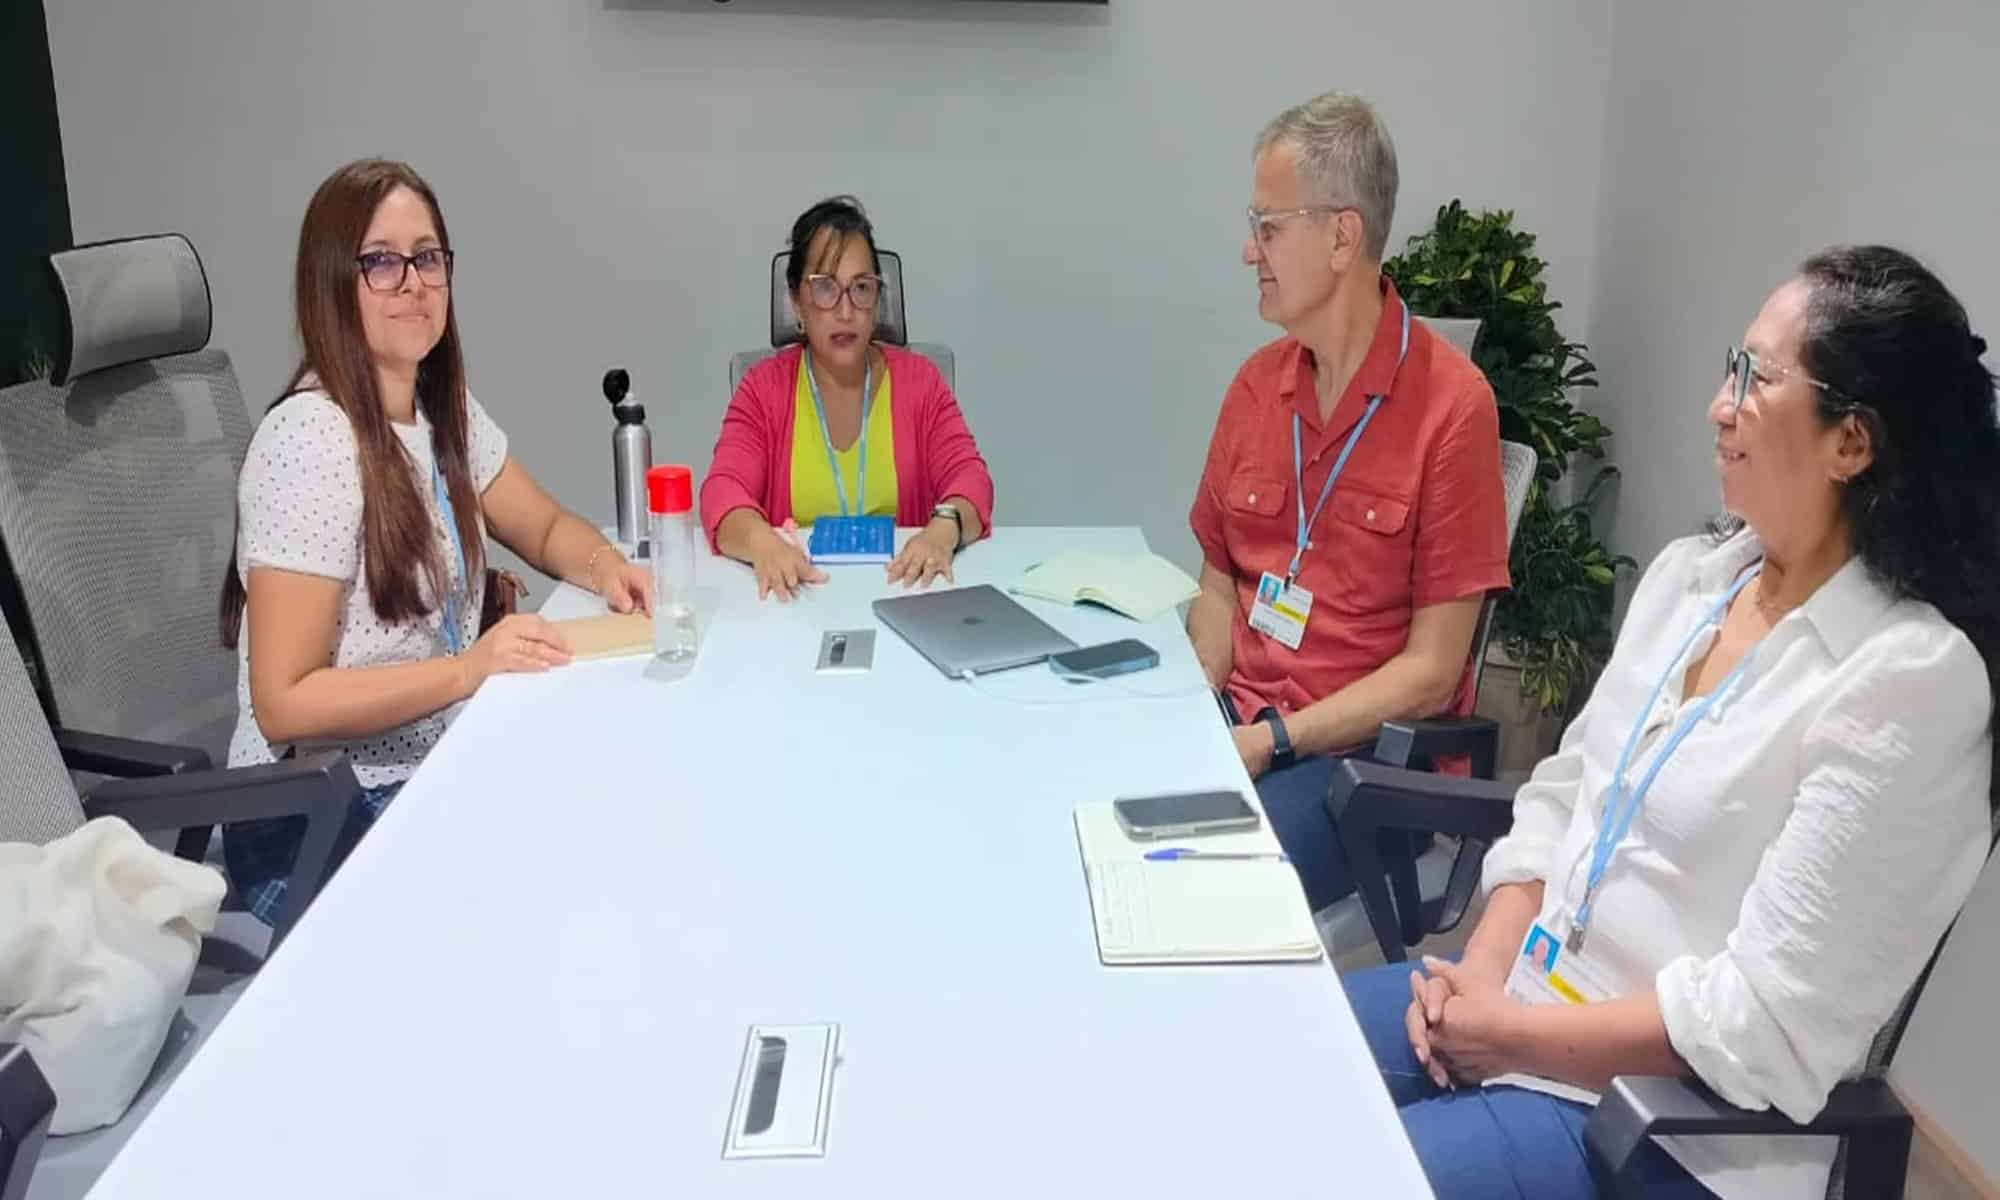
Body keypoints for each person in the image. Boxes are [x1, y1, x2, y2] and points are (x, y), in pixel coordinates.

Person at [1343, 245, 2000, 1200]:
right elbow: (1564, 798)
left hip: (1666, 1135)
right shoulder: (1693, 579)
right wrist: (1481, 983)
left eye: (1756, 378)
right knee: (1268, 1065)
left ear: (1851, 443)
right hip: (1526, 1001)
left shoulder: (1912, 680)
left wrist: (1509, 1036)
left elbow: (1761, 1023)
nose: (1719, 405)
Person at [217, 159, 653, 924]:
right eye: (381, 261)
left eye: (428, 256)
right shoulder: (309, 439)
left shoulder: (438, 407)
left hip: (429, 759)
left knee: (620, 780)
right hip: (314, 814)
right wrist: (467, 670)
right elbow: (286, 702)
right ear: (332, 282)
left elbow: (544, 527)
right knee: (576, 871)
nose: (413, 281)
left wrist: (608, 567)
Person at [1187, 92, 1509, 912]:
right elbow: (1220, 579)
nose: (1247, 250)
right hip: (1244, 723)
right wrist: (1193, 701)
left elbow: (1434, 674)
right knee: (1099, 816)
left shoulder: (1452, 407)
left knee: (1198, 889)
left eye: (1268, 227)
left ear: (1341, 235)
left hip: (1359, 767)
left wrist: (1275, 739)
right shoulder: (1257, 387)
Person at [700, 196, 995, 600]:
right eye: (824, 288)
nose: (845, 311)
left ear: (877, 299)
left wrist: (943, 528)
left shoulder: (919, 381)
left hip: (901, 592)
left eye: (860, 288)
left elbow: (971, 479)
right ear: (796, 301)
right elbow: (722, 491)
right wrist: (762, 543)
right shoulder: (763, 390)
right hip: (798, 598)